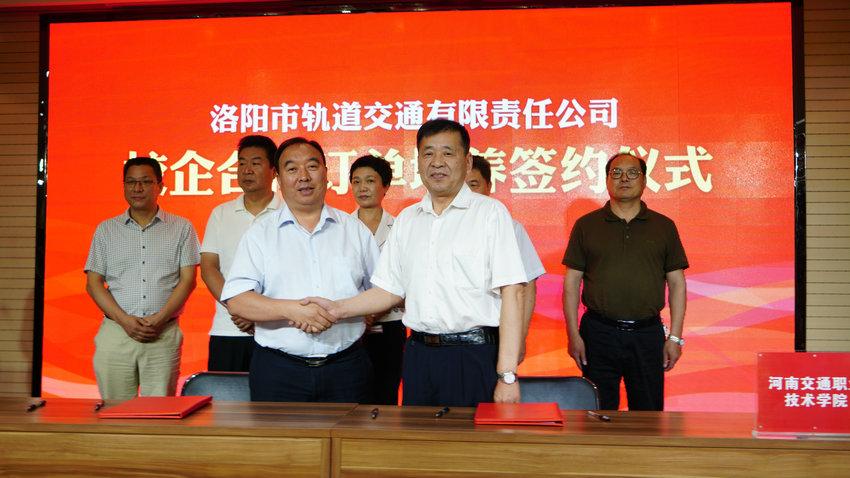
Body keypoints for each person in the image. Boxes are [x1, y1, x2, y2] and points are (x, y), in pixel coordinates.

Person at [306, 119, 527, 407]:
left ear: (467, 160)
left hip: (473, 355)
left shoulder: (490, 213)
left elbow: (513, 292)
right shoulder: (408, 219)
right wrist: (337, 308)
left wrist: (507, 374)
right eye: (428, 153)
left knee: (471, 437)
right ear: (418, 162)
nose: (437, 162)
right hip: (418, 355)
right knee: (418, 436)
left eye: (447, 153)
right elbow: (389, 290)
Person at [220, 137, 379, 403]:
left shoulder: (355, 230)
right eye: (292, 169)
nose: (304, 176)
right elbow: (237, 300)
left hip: (347, 368)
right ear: (278, 179)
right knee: (280, 433)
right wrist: (292, 310)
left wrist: (344, 310)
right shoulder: (260, 234)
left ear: (326, 173)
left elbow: (383, 292)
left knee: (353, 432)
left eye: (312, 167)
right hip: (279, 371)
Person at [562, 152, 688, 411]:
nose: (624, 178)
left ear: (644, 180)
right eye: (616, 173)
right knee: (598, 413)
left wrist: (675, 338)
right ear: (607, 180)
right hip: (598, 333)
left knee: (648, 414)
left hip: (648, 334)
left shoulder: (664, 226)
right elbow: (571, 283)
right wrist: (573, 335)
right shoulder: (586, 225)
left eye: (632, 172)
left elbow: (677, 284)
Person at [85, 156, 200, 399]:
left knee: (159, 412)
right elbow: (94, 283)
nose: (138, 188)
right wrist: (125, 321)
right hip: (116, 332)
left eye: (146, 182)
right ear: (124, 186)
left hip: (163, 333)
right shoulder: (106, 230)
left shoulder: (182, 227)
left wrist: (160, 319)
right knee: (115, 411)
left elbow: (188, 280)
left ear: (160, 186)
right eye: (131, 182)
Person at [200, 135, 282, 372]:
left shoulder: (288, 213)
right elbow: (209, 267)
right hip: (228, 328)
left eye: (255, 163)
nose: (247, 170)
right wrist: (237, 308)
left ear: (273, 171)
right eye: (242, 163)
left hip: (277, 331)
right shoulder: (221, 213)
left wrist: (260, 313)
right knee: (225, 395)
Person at [466, 155, 545, 363]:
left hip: (496, 333)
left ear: (489, 186)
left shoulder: (511, 227)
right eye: (462, 186)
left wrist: (520, 337)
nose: (468, 193)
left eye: (474, 185)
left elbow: (527, 287)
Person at [349, 154, 406, 405]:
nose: (362, 187)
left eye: (370, 181)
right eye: (356, 181)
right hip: (350, 324)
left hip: (391, 323)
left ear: (386, 186)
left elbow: (406, 279)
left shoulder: (401, 228)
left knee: (386, 394)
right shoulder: (340, 227)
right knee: (352, 395)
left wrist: (374, 310)